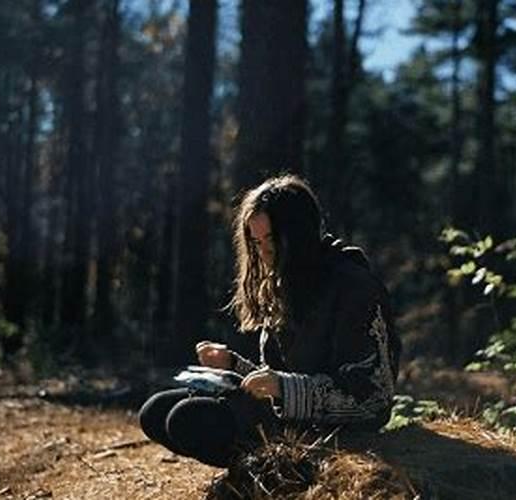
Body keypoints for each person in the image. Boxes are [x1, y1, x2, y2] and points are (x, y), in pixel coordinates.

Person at [138, 174, 401, 467]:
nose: (264, 252)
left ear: (299, 233)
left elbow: (375, 399)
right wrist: (234, 366)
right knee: (156, 411)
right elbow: (278, 378)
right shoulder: (285, 282)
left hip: (332, 437)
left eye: (272, 239)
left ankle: (275, 477)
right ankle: (260, 473)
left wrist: (285, 389)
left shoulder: (353, 286)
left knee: (188, 419)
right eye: (257, 241)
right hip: (288, 422)